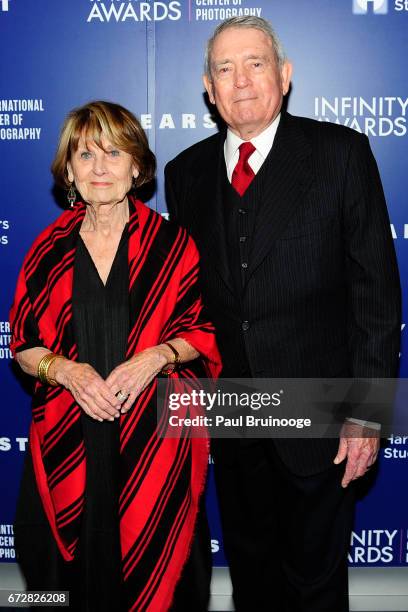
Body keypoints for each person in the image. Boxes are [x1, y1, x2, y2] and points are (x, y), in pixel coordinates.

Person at [165, 16, 401, 612]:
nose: (240, 80)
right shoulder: (184, 173)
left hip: (323, 412)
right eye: (225, 68)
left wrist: (368, 415)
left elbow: (375, 290)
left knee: (315, 583)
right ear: (208, 88)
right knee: (252, 576)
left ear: (285, 75)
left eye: (255, 63)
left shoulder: (340, 153)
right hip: (233, 414)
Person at [10, 100, 221, 612]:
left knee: (161, 575)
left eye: (113, 152)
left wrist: (155, 357)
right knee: (61, 582)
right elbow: (23, 344)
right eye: (85, 154)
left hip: (156, 445)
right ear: (69, 171)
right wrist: (63, 370)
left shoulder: (174, 244)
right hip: (69, 436)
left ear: (137, 166)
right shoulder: (47, 248)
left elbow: (206, 332)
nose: (99, 167)